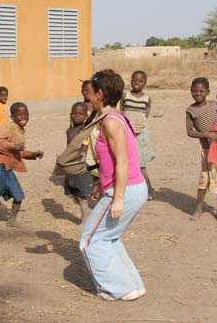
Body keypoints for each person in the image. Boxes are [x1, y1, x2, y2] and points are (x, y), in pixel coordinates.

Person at [79, 69, 148, 302]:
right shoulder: (115, 118)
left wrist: (118, 197)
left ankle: (116, 289)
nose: (87, 97)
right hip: (128, 188)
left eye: (91, 92)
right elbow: (113, 159)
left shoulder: (110, 121)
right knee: (110, 238)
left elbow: (123, 160)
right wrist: (101, 181)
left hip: (125, 190)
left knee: (89, 242)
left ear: (100, 94)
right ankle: (133, 286)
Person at [0, 102, 44, 240]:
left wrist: (32, 154)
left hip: (8, 169)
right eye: (19, 114)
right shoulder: (11, 128)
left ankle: (12, 220)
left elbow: (17, 152)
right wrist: (13, 145)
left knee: (18, 196)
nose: (23, 117)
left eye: (26, 113)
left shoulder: (20, 129)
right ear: (13, 116)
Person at [186, 77, 217, 221]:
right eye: (195, 91)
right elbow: (189, 132)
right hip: (206, 150)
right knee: (203, 180)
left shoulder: (215, 105)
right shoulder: (191, 110)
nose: (198, 93)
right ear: (190, 91)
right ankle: (198, 209)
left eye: (202, 91)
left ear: (208, 92)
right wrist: (206, 134)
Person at [120, 70, 156, 200]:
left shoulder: (147, 99)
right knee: (123, 162)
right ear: (130, 80)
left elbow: (145, 115)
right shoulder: (126, 95)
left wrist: (138, 128)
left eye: (140, 81)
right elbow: (121, 112)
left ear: (145, 83)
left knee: (140, 164)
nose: (137, 83)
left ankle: (149, 189)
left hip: (140, 135)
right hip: (125, 133)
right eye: (134, 80)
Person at [64, 102, 94, 223]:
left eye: (81, 114)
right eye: (74, 113)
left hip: (79, 164)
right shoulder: (69, 130)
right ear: (70, 114)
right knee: (72, 190)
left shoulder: (84, 130)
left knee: (82, 192)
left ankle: (86, 214)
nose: (77, 116)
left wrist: (82, 155)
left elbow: (85, 144)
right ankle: (85, 211)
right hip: (69, 164)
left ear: (86, 116)